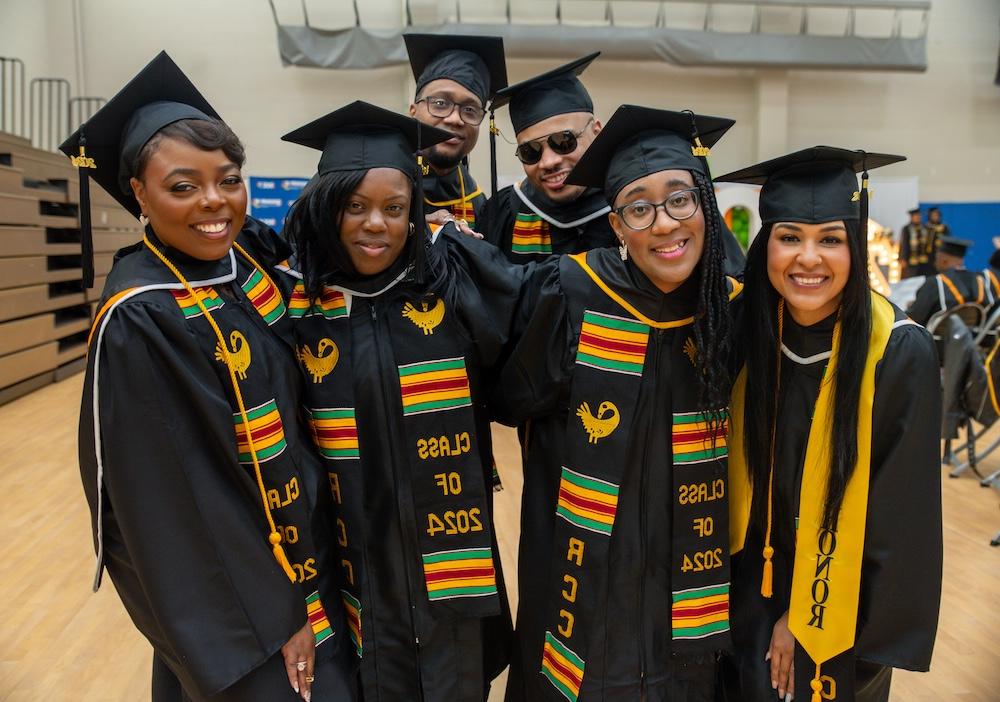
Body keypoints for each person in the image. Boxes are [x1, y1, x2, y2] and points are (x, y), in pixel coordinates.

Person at [66, 53, 356, 702]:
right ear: (137, 192)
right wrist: (278, 618)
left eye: (228, 180)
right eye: (182, 186)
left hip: (306, 553)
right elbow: (184, 502)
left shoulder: (239, 259)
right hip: (251, 604)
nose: (214, 203)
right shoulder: (142, 317)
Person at [494, 105, 742, 701]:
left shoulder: (730, 306)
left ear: (705, 207)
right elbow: (515, 398)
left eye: (680, 199)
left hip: (688, 573)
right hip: (587, 574)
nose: (664, 222)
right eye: (639, 207)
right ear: (618, 224)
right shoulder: (573, 291)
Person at [280, 101, 525, 701]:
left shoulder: (448, 277)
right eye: (354, 207)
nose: (376, 225)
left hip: (447, 532)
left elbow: (531, 336)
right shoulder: (291, 303)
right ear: (324, 207)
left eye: (395, 209)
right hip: (348, 539)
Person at [715, 146, 942, 702]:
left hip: (837, 602)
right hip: (737, 594)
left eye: (830, 240)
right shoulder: (745, 329)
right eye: (789, 237)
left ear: (855, 249)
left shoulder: (895, 350)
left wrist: (804, 615)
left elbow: (899, 517)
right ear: (764, 243)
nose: (808, 258)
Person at [479, 53, 617, 262]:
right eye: (531, 151)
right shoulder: (504, 213)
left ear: (597, 132)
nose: (548, 162)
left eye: (563, 141)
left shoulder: (630, 206)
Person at [405, 33, 507, 232]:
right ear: (413, 111)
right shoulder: (380, 179)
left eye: (470, 109)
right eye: (440, 103)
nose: (455, 119)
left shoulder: (477, 202)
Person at [907, 236, 997, 325]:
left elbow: (915, 318)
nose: (935, 262)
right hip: (973, 337)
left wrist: (912, 306)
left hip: (937, 338)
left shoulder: (935, 283)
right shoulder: (980, 280)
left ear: (944, 260)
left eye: (936, 257)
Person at [898, 207, 934, 278]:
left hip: (924, 261)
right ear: (912, 217)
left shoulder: (925, 228)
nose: (918, 218)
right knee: (911, 278)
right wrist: (903, 258)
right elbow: (904, 244)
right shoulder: (907, 229)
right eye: (916, 216)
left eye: (919, 216)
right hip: (911, 261)